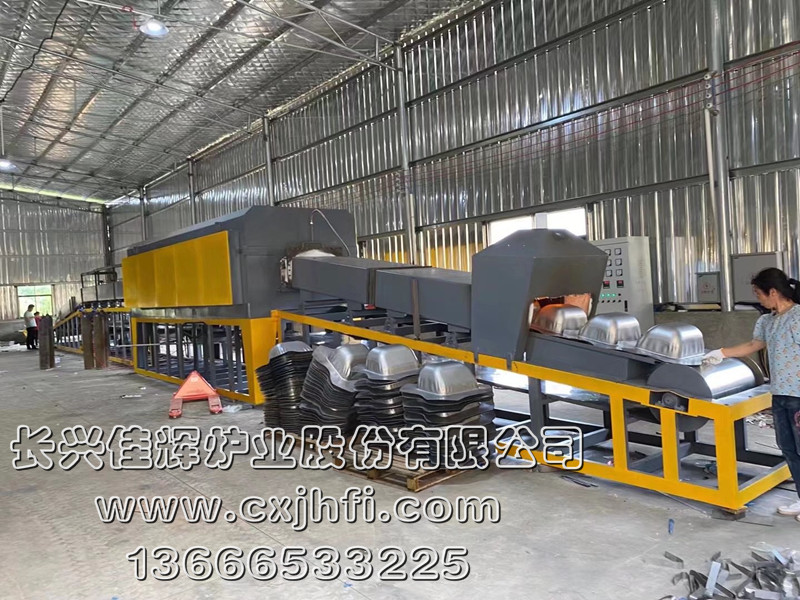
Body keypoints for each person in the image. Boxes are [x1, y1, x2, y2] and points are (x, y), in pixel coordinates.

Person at [703, 268, 800, 520]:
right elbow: (753, 345)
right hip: (780, 395)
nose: (758, 298)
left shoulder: (798, 317)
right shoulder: (767, 321)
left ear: (773, 292)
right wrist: (721, 353)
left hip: (799, 396)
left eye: (759, 293)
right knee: (788, 448)